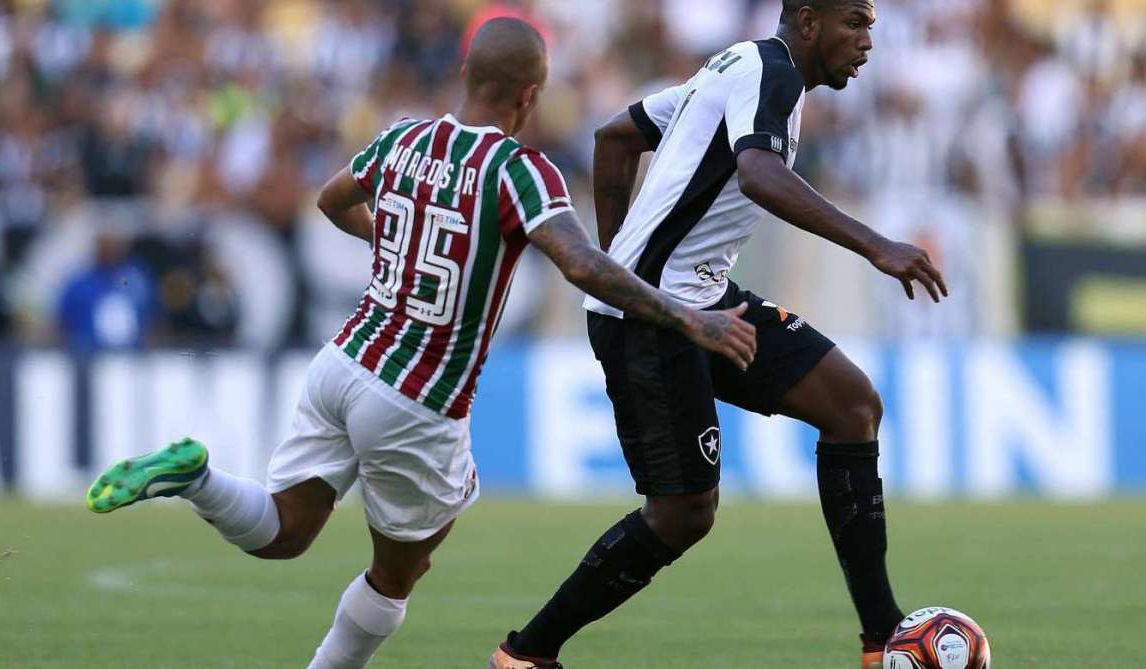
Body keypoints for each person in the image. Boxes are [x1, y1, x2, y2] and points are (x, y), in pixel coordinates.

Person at [83, 17, 757, 669]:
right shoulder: (520, 170)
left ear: (465, 73)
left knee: (285, 532)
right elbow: (582, 263)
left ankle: (197, 477)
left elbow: (331, 198)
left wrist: (399, 244)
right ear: (530, 96)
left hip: (343, 363)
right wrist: (687, 316)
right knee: (398, 571)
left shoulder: (402, 139)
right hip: (418, 397)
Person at [490, 2, 949, 668]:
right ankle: (525, 655)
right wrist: (876, 245)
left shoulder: (735, 66)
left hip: (706, 299)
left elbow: (615, 137)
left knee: (852, 405)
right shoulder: (772, 74)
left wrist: (625, 258)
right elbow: (758, 174)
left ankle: (884, 640)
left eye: (872, 25)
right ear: (811, 21)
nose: (868, 41)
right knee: (684, 513)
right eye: (855, 22)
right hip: (658, 320)